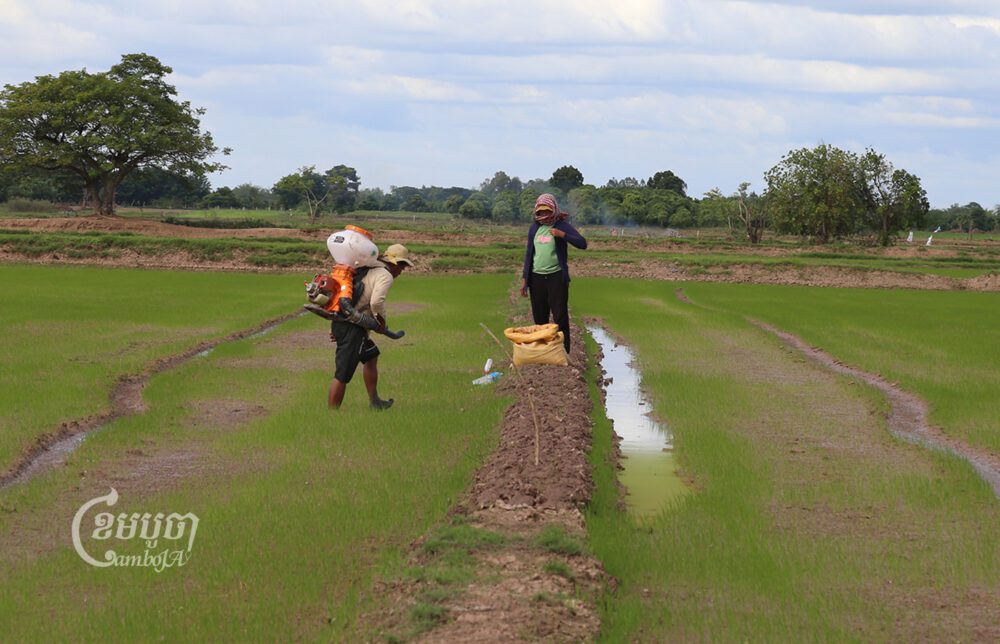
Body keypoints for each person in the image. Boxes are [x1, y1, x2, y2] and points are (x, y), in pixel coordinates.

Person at [328, 243, 414, 410]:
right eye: (402, 267)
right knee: (342, 374)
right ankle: (331, 414)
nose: (401, 271)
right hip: (353, 327)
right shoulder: (385, 274)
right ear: (395, 263)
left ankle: (375, 402)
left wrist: (336, 327)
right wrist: (381, 322)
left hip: (345, 322)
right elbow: (376, 302)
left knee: (371, 356)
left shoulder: (369, 268)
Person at [520, 193, 587, 354]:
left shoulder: (561, 226)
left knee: (560, 316)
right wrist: (525, 279)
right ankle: (544, 352)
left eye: (547, 211)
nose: (543, 214)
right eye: (540, 211)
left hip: (556, 277)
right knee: (539, 317)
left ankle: (563, 352)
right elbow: (529, 254)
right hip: (536, 278)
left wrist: (562, 235)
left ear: (553, 210)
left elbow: (582, 243)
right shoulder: (534, 228)